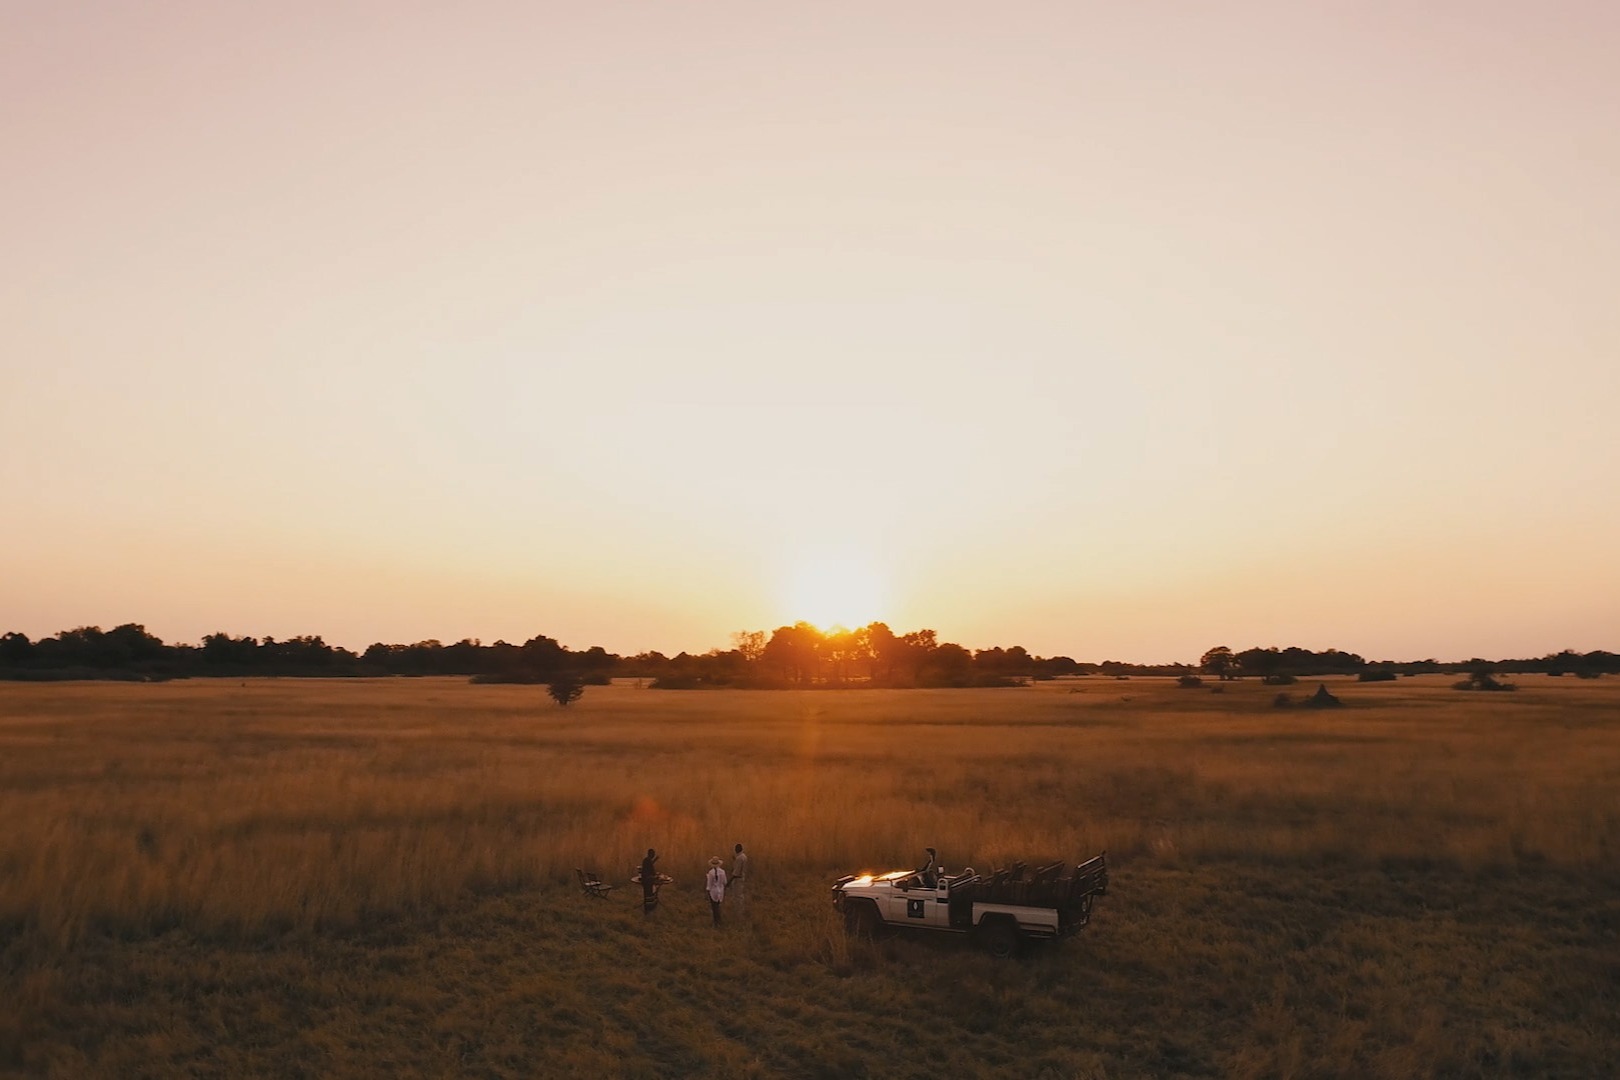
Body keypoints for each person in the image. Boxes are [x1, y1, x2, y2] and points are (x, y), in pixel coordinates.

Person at [705, 856, 728, 927]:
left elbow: (709, 884)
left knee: (714, 907)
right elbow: (725, 882)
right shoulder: (723, 872)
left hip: (713, 892)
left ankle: (716, 922)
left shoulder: (711, 873)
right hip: (721, 891)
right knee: (718, 906)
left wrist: (707, 891)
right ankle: (719, 922)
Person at [729, 843, 750, 914]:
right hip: (742, 877)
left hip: (737, 879)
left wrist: (729, 882)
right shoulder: (743, 856)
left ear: (736, 849)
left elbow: (736, 873)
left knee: (737, 896)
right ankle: (740, 910)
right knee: (740, 895)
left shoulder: (739, 858)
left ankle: (738, 912)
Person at [639, 848, 660, 916]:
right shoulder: (648, 860)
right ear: (651, 854)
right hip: (648, 881)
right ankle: (649, 909)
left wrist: (655, 860)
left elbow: (649, 866)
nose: (654, 855)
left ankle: (648, 908)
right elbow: (652, 871)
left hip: (645, 880)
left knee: (647, 894)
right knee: (650, 894)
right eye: (653, 854)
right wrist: (656, 876)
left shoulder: (646, 860)